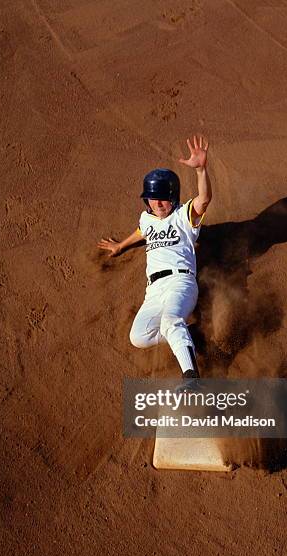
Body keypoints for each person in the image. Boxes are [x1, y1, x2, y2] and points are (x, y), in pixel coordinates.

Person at [97, 135, 212, 378]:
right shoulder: (146, 218)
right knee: (139, 337)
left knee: (170, 321)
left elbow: (204, 200)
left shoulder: (183, 216)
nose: (159, 204)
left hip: (180, 283)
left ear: (173, 197)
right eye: (153, 198)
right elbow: (142, 230)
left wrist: (201, 170)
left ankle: (191, 379)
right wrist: (121, 246)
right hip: (154, 291)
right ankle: (185, 336)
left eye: (164, 198)